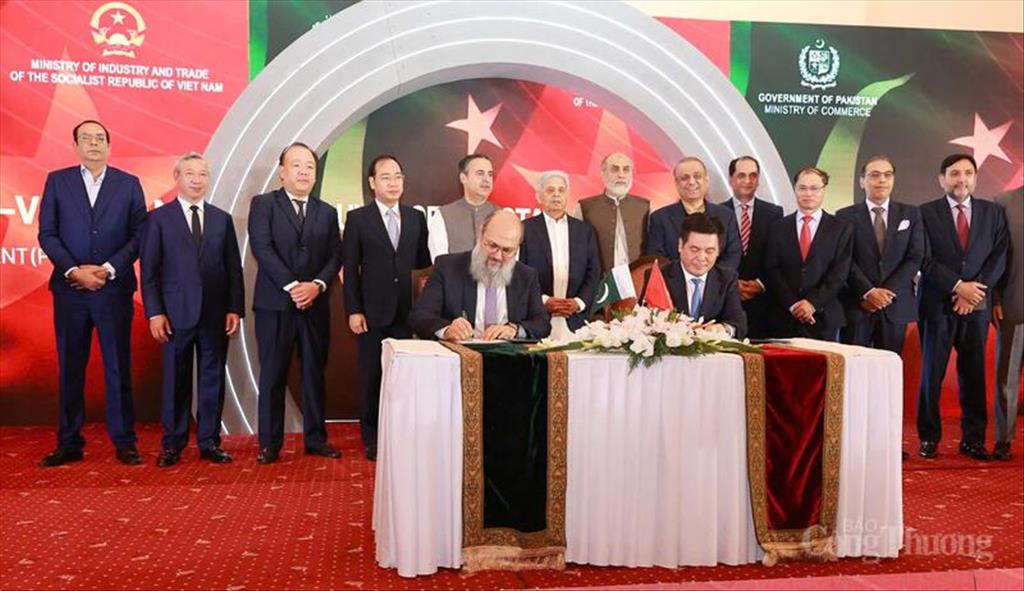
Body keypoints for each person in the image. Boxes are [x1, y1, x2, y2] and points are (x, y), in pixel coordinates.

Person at [37, 120, 148, 467]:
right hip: (70, 290)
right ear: (75, 146)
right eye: (86, 138)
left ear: (109, 146)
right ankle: (69, 441)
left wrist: (108, 269)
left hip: (113, 290)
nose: (94, 143)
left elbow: (139, 235)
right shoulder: (58, 181)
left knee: (118, 367)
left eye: (100, 138)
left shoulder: (128, 184)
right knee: (71, 367)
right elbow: (47, 233)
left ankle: (124, 441)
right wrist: (74, 271)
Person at [140, 152, 244, 467]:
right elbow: (149, 271)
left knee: (213, 379)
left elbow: (233, 268)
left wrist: (234, 308)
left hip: (215, 314)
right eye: (190, 174)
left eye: (202, 174)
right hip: (174, 315)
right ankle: (173, 444)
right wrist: (155, 312)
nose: (197, 180)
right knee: (176, 381)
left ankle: (210, 442)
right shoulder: (158, 219)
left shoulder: (221, 219)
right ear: (177, 177)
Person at [248, 142, 343, 464]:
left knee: (314, 374)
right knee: (273, 375)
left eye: (310, 167)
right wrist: (293, 287)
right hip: (275, 305)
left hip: (315, 305)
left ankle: (316, 439)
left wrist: (316, 286)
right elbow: (262, 248)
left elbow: (335, 255)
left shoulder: (326, 212)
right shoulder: (264, 204)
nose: (304, 172)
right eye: (297, 165)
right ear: (282, 172)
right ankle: (269, 444)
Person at [917, 154, 1009, 460]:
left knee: (974, 372)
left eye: (968, 173)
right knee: (932, 373)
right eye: (955, 173)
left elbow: (999, 256)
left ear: (975, 178)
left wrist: (974, 292)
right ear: (941, 179)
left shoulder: (993, 212)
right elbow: (924, 258)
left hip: (977, 304)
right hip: (936, 303)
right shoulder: (925, 213)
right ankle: (929, 437)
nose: (962, 179)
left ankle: (973, 439)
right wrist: (958, 287)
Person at [342, 155, 430, 461]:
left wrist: (425, 311)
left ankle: (402, 434)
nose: (393, 183)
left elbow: (423, 268)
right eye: (385, 177)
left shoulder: (416, 218)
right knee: (372, 376)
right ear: (372, 183)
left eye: (397, 176)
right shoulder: (358, 219)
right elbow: (350, 269)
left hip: (408, 312)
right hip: (372, 312)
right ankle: (372, 438)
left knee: (406, 376)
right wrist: (354, 310)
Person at [410, 209, 549, 341]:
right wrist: (447, 330)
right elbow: (420, 315)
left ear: (517, 248)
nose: (498, 256)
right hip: (459, 353)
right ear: (480, 234)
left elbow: (542, 323)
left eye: (507, 250)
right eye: (492, 245)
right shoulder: (447, 267)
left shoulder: (526, 276)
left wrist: (514, 330)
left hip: (510, 355)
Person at [837, 156, 924, 354]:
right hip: (858, 304)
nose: (882, 180)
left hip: (895, 305)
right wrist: (868, 292)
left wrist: (886, 293)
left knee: (890, 367)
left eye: (887, 175)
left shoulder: (911, 214)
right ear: (862, 181)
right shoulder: (844, 216)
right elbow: (844, 259)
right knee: (854, 365)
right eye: (875, 175)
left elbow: (915, 257)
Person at [763, 167, 852, 341]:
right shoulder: (778, 227)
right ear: (795, 190)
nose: (808, 193)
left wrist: (812, 304)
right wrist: (793, 305)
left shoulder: (841, 228)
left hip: (824, 317)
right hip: (784, 316)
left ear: (824, 190)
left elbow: (840, 272)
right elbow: (772, 269)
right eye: (802, 188)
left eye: (814, 188)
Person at [518, 171, 601, 340]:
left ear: (567, 195)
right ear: (539, 196)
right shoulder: (524, 229)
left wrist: (578, 302)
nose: (556, 195)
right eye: (550, 190)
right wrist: (543, 301)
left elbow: (594, 272)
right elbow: (518, 273)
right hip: (538, 319)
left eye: (561, 190)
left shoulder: (585, 231)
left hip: (577, 321)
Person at [643, 213, 746, 339]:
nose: (701, 258)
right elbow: (645, 321)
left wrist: (723, 329)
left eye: (709, 251)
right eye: (694, 250)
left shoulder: (727, 278)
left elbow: (738, 324)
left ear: (718, 251)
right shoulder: (659, 276)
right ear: (680, 245)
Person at [721, 156, 783, 339]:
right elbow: (713, 255)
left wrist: (760, 284)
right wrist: (732, 284)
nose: (747, 181)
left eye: (753, 175)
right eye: (741, 175)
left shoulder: (774, 213)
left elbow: (778, 256)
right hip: (725, 301)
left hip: (763, 304)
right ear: (731, 179)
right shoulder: (716, 213)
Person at [647, 157, 741, 271]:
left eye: (697, 176)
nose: (691, 182)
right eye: (685, 178)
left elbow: (733, 255)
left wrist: (708, 278)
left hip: (719, 281)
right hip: (674, 281)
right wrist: (686, 277)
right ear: (676, 183)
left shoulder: (726, 215)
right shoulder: (660, 218)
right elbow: (657, 258)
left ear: (706, 180)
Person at [576, 152, 650, 273]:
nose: (621, 175)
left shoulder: (646, 206)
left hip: (637, 279)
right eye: (615, 169)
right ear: (603, 174)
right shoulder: (584, 207)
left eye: (626, 170)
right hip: (600, 280)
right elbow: (578, 250)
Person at [992, 189, 1023, 461]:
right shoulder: (1005, 202)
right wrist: (995, 297)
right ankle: (1003, 439)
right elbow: (995, 255)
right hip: (1014, 305)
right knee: (1007, 378)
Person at [427, 153, 498, 261]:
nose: (486, 179)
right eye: (480, 173)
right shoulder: (443, 215)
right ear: (463, 178)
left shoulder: (503, 216)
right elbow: (440, 262)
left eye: (490, 174)